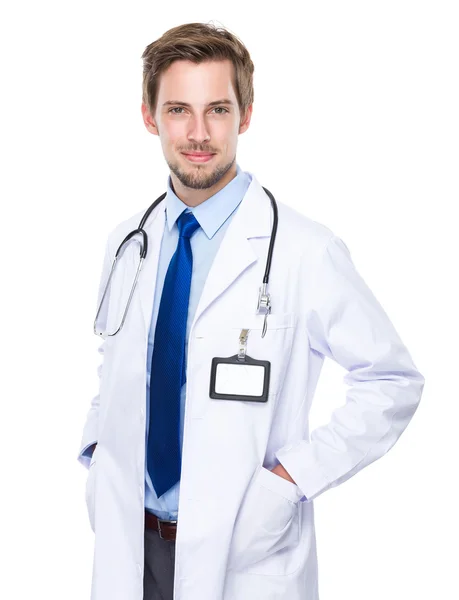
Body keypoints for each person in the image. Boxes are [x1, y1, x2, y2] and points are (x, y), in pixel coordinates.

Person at [77, 21, 425, 600]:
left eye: (216, 109)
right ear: (148, 117)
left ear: (245, 114)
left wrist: (291, 480)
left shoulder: (303, 250)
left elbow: (393, 381)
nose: (197, 133)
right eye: (177, 110)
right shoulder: (127, 244)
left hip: (245, 555)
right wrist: (98, 451)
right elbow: (116, 363)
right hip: (130, 548)